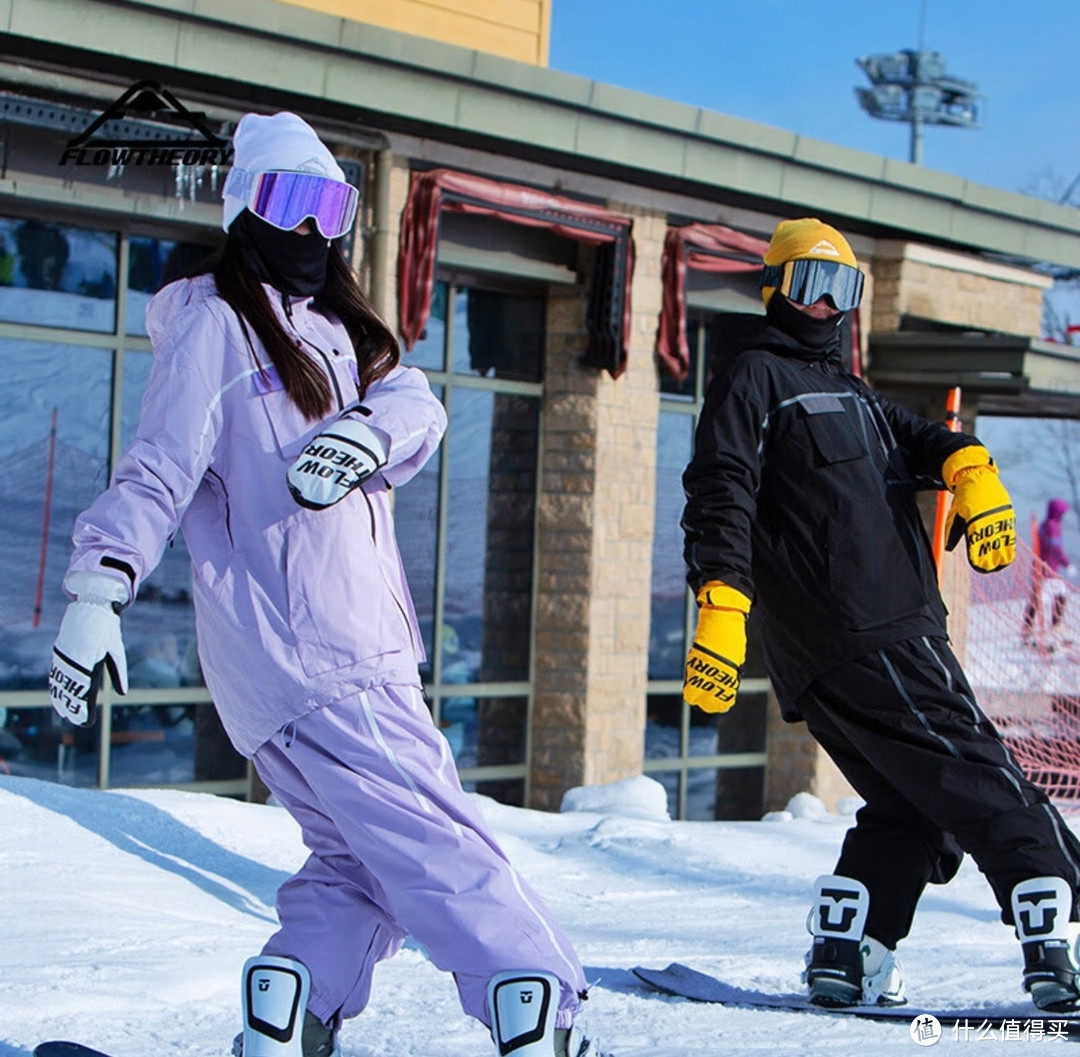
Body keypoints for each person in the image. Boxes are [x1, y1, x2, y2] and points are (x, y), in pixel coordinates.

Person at [47, 111, 609, 1057]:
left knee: (358, 863)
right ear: (244, 208)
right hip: (327, 655)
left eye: (330, 206)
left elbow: (416, 399)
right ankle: (540, 1010)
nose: (311, 230)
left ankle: (293, 1002)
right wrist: (97, 588)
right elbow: (156, 469)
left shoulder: (335, 337)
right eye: (288, 201)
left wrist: (362, 437)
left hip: (287, 674)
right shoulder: (218, 330)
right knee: (441, 843)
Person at [680, 217, 1080, 1013]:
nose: (826, 307)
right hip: (872, 629)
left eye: (844, 289)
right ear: (775, 291)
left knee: (915, 805)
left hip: (837, 652)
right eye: (810, 286)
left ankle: (849, 951)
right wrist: (720, 600)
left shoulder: (850, 390)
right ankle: (1060, 935)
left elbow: (919, 435)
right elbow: (720, 487)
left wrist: (967, 465)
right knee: (982, 773)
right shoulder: (754, 377)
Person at [1024, 498, 1073, 646]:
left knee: (1039, 599)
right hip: (1048, 571)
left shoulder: (1045, 525)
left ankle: (1028, 628)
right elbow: (1055, 549)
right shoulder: (1053, 527)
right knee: (1052, 597)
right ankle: (1051, 627)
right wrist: (1066, 563)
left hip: (1041, 568)